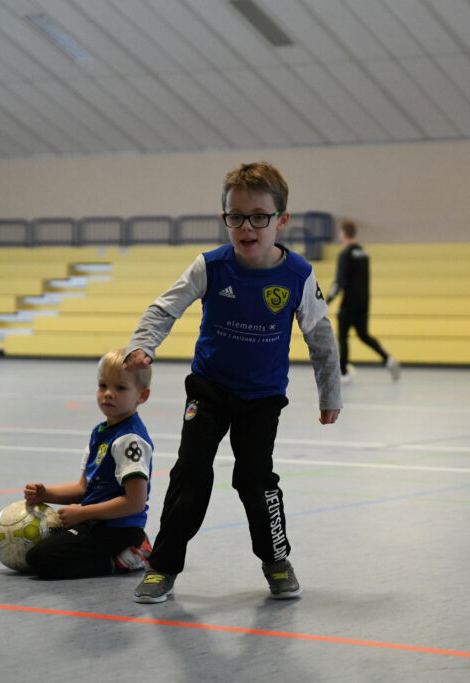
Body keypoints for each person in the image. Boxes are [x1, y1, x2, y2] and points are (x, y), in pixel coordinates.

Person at [125, 161, 341, 603]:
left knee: (255, 480)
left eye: (259, 216)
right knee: (190, 475)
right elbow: (164, 308)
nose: (247, 227)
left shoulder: (297, 275)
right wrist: (143, 345)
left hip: (262, 399)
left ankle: (277, 561)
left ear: (281, 220)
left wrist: (329, 393)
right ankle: (162, 567)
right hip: (209, 390)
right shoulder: (210, 267)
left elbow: (320, 337)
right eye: (236, 217)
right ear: (224, 218)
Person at [23, 348, 155, 579]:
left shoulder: (129, 439)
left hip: (118, 529)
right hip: (95, 521)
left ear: (141, 396)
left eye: (120, 388)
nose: (108, 394)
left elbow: (135, 502)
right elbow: (84, 488)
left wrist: (82, 513)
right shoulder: (101, 432)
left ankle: (128, 556)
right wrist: (46, 494)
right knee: (39, 547)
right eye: (103, 386)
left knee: (41, 560)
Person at [327, 219, 400, 383]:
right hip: (363, 302)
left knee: (343, 337)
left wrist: (327, 301)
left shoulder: (345, 254)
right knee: (363, 335)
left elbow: (340, 282)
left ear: (343, 234)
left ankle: (343, 372)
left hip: (349, 303)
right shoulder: (364, 253)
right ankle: (387, 358)